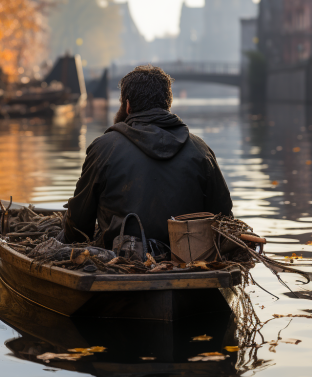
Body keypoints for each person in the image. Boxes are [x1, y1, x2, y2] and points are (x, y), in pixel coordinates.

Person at [60, 65, 233, 248]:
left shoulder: (103, 148)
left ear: (127, 106)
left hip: (121, 261)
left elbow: (79, 226)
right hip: (186, 258)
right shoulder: (201, 150)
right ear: (168, 105)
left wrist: (64, 240)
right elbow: (225, 221)